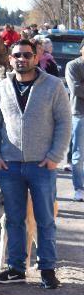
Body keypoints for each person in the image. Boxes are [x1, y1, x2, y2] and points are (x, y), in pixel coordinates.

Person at [0, 39, 71, 289]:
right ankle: (16, 269)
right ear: (9, 59)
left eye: (27, 54)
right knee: (13, 220)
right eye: (16, 55)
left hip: (42, 166)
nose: (21, 58)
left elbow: (65, 123)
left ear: (36, 57)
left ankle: (47, 270)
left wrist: (55, 156)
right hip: (9, 165)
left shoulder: (54, 86)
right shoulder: (1, 88)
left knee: (45, 220)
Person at [67, 50, 84, 201]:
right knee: (78, 156)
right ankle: (79, 189)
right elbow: (76, 89)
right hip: (80, 114)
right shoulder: (73, 65)